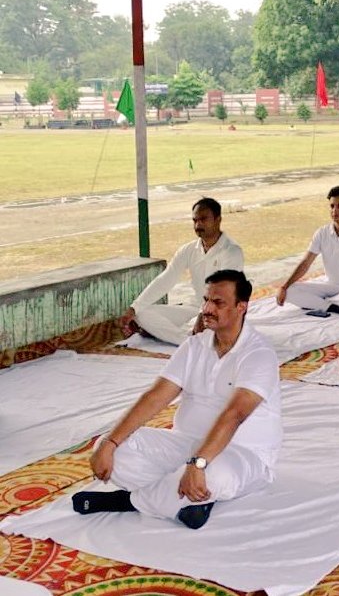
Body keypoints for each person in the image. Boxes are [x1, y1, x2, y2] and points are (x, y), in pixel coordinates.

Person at [72, 270, 280, 530]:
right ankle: (188, 499)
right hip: (185, 445)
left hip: (242, 455)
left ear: (241, 307)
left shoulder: (258, 353)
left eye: (218, 302)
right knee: (114, 452)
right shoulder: (194, 346)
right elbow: (155, 397)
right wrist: (110, 441)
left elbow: (234, 415)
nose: (207, 309)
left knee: (214, 476)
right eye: (205, 300)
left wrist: (199, 463)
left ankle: (128, 501)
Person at [122, 198, 244, 345]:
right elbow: (166, 279)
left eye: (203, 219)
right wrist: (134, 308)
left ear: (218, 220)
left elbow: (224, 292)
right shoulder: (188, 250)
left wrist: (203, 314)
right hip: (194, 308)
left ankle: (191, 337)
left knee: (217, 324)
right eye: (195, 220)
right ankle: (187, 341)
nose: (198, 225)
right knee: (142, 313)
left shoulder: (231, 251)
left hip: (223, 310)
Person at [277, 186, 339, 316]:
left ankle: (320, 304)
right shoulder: (321, 233)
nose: (334, 211)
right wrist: (284, 286)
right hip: (330, 287)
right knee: (290, 291)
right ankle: (333, 306)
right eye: (332, 206)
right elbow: (306, 263)